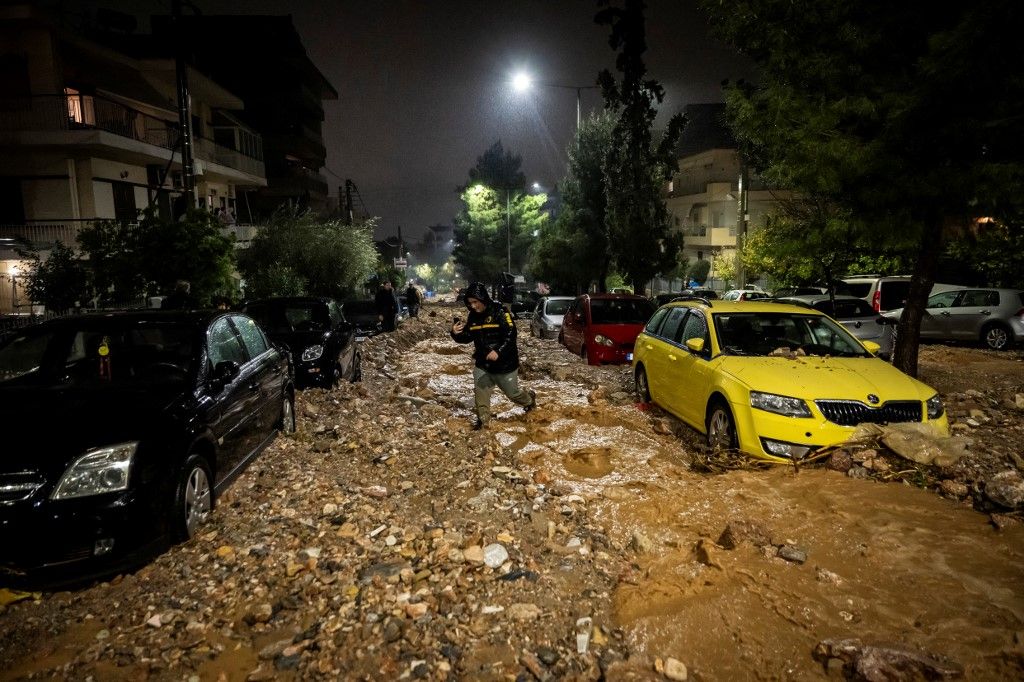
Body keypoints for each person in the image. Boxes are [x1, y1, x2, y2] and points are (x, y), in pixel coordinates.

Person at [450, 281, 536, 430]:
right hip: (483, 363)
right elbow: (468, 337)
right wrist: (455, 334)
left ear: (483, 298)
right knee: (480, 392)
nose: (473, 306)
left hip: (505, 364)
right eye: (470, 303)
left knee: (512, 394)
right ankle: (483, 423)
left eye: (475, 302)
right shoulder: (473, 316)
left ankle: (529, 400)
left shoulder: (500, 311)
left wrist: (498, 351)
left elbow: (511, 334)